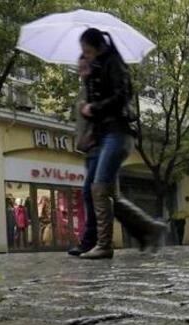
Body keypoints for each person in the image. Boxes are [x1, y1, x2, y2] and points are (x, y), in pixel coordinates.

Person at [74, 28, 166, 259]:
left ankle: (104, 244)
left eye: (87, 50)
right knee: (108, 193)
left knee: (99, 187)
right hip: (105, 135)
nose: (85, 55)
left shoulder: (113, 64)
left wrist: (93, 108)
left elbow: (121, 96)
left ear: (97, 47)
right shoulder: (97, 69)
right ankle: (150, 229)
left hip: (118, 133)